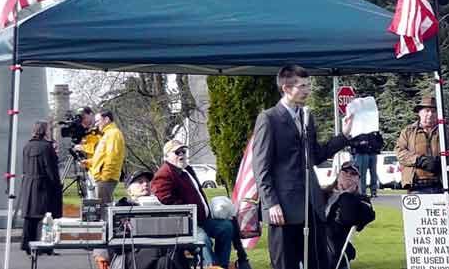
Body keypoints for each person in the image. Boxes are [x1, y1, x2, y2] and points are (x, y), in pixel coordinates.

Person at [252, 64, 353, 269]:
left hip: (311, 205)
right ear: (286, 88)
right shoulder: (269, 119)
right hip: (283, 208)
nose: (308, 90)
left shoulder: (307, 117)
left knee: (317, 262)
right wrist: (271, 203)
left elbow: (314, 156)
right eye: (303, 86)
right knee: (285, 263)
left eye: (309, 85)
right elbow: (260, 166)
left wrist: (344, 136)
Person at [151, 140, 234, 269]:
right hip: (184, 224)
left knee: (226, 227)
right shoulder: (164, 174)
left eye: (183, 151)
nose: (181, 154)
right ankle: (211, 266)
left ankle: (221, 265)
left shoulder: (186, 169)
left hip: (202, 220)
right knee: (203, 240)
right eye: (177, 152)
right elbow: (165, 199)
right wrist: (188, 210)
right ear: (166, 156)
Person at [110, 170, 190, 269]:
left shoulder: (162, 206)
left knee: (165, 261)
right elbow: (117, 248)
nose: (145, 184)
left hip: (162, 255)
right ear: (129, 190)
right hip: (133, 255)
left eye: (147, 181)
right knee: (166, 247)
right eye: (140, 182)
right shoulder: (121, 208)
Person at [81, 110, 126, 268]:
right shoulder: (108, 134)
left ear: (107, 119)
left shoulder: (113, 133)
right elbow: (102, 156)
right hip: (103, 176)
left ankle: (106, 247)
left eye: (99, 120)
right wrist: (89, 162)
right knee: (103, 210)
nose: (96, 123)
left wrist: (103, 175)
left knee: (103, 212)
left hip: (105, 178)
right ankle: (104, 246)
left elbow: (112, 158)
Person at [394, 95, 449, 194]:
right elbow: (400, 152)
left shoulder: (446, 131)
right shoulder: (408, 131)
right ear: (419, 113)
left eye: (433, 111)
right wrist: (419, 160)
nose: (430, 114)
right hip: (416, 185)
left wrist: (442, 159)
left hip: (442, 184)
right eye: (427, 111)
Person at [20, 121, 62, 255]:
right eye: (48, 129)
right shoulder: (46, 147)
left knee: (30, 217)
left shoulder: (27, 146)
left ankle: (27, 245)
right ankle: (44, 246)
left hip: (29, 184)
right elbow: (51, 169)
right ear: (44, 131)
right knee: (45, 217)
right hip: (43, 186)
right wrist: (57, 185)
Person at [323, 162, 375, 269]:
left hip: (333, 248)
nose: (348, 175)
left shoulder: (361, 201)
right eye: (345, 172)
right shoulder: (323, 194)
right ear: (338, 175)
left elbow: (349, 218)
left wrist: (346, 194)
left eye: (353, 174)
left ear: (358, 179)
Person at [349, 131, 384, 197]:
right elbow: (351, 142)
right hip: (361, 153)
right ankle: (362, 191)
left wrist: (376, 147)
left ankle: (372, 191)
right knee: (361, 173)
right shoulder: (357, 131)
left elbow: (380, 142)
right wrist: (359, 144)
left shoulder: (374, 132)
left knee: (372, 173)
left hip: (371, 153)